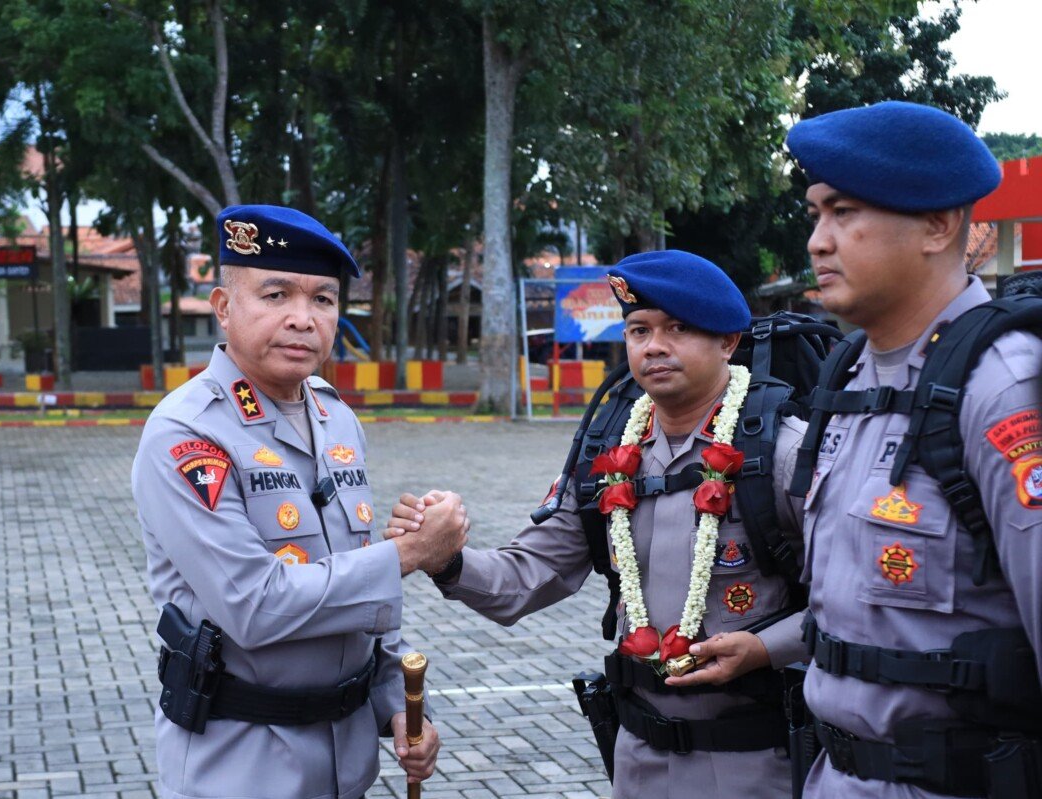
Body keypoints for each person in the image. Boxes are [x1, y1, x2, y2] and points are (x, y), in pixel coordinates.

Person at [388, 251, 810, 798]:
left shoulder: (782, 451)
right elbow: (526, 574)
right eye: (639, 329)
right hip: (637, 760)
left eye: (677, 328)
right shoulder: (606, 452)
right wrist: (443, 557)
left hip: (758, 762)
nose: (654, 346)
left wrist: (764, 649)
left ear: (728, 341)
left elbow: (852, 607)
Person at [132, 205, 468, 799]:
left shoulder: (334, 417)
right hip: (243, 765)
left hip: (346, 762)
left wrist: (398, 703)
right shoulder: (187, 434)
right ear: (223, 307)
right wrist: (410, 554)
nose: (303, 319)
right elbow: (254, 607)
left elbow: (359, 585)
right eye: (276, 294)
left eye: (323, 300)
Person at [785, 101, 1042, 797]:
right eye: (814, 213)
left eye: (843, 212)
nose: (817, 240)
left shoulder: (1004, 389)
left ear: (937, 224)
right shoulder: (849, 378)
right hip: (831, 775)